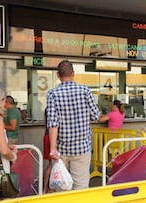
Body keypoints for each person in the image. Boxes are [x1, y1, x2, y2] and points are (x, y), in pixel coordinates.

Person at [46, 60, 101, 190]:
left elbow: (53, 123)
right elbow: (95, 116)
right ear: (73, 74)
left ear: (57, 75)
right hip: (82, 148)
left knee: (61, 186)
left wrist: (53, 149)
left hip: (61, 149)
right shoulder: (85, 91)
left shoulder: (52, 94)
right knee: (81, 186)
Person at [42, 109, 53, 194]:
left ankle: (45, 189)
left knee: (50, 164)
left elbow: (45, 123)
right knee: (53, 165)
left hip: (46, 135)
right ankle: (51, 188)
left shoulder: (47, 109)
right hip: (54, 138)